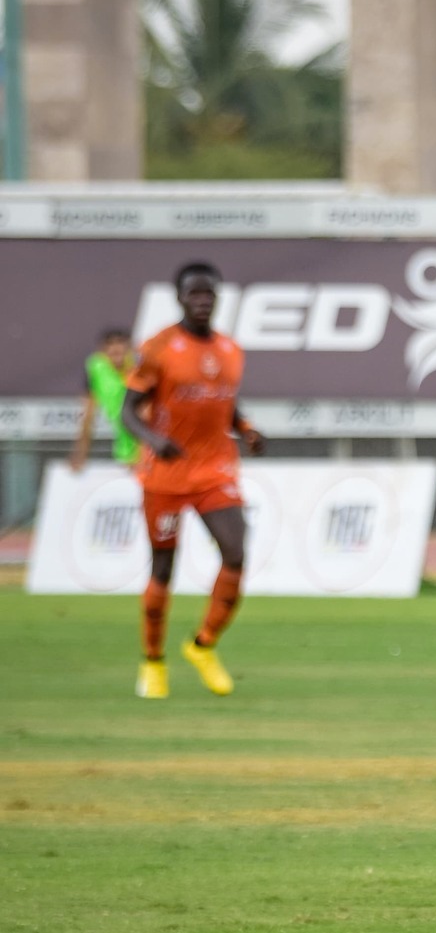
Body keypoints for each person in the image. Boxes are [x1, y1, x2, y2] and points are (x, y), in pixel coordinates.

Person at [120, 262, 266, 700]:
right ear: (180, 298)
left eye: (209, 294)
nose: (202, 301)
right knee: (163, 567)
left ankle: (203, 645)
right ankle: (152, 661)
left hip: (214, 469)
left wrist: (247, 428)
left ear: (218, 298)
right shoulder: (159, 347)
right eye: (194, 294)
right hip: (165, 473)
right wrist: (152, 439)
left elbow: (223, 401)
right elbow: (128, 410)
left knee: (237, 552)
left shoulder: (230, 350)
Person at [71, 328, 141, 472]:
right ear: (102, 351)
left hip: (149, 445)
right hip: (125, 446)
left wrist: (146, 453)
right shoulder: (96, 368)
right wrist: (80, 455)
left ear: (129, 347)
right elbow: (88, 416)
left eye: (120, 344)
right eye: (110, 344)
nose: (115, 349)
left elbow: (150, 412)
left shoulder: (140, 366)